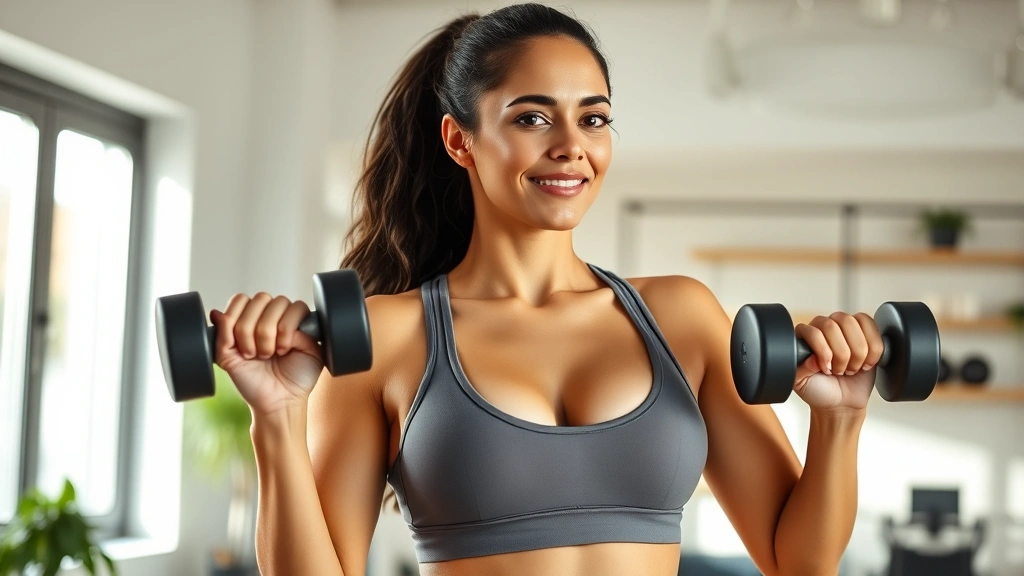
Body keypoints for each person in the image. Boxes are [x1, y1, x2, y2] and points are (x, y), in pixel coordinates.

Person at [208, 4, 882, 575]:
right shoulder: (388, 336)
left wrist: (841, 416)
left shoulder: (683, 317)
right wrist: (275, 416)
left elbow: (798, 562)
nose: (570, 146)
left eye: (593, 119)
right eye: (532, 118)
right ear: (459, 140)